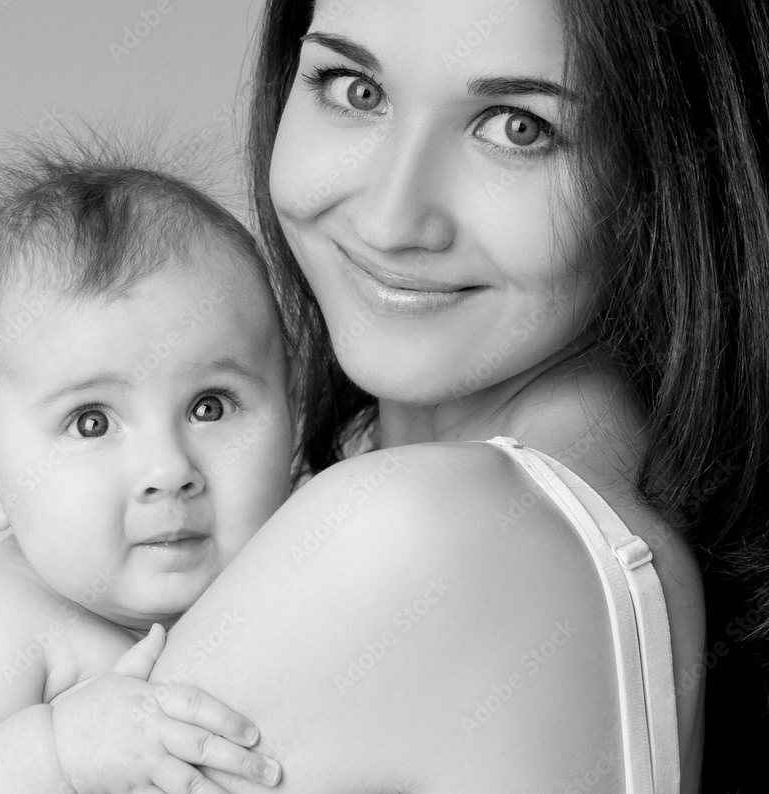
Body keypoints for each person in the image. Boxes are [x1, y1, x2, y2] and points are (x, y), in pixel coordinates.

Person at [131, 0, 769, 791]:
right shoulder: (599, 508)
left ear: (664, 170)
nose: (393, 219)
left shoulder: (406, 532)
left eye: (516, 127)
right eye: (355, 88)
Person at [0, 138, 294, 794]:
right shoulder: (5, 624)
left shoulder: (301, 549)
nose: (169, 470)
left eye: (210, 406)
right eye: (92, 422)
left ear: (295, 410)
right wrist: (57, 754)